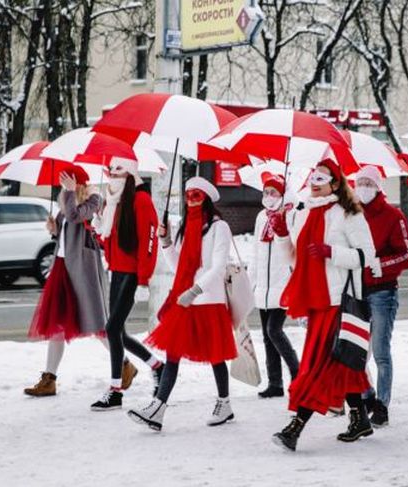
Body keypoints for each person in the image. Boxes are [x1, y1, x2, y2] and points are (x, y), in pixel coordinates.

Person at [272, 158, 378, 452]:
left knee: (317, 365)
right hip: (315, 300)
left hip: (337, 302)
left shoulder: (349, 214)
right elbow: (296, 258)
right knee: (341, 363)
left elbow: (365, 257)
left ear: (335, 183)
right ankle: (360, 418)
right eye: (313, 177)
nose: (315, 183)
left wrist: (331, 251)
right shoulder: (306, 212)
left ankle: (296, 427)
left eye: (322, 178)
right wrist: (282, 234)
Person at [128, 177, 238, 431]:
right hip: (184, 298)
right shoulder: (186, 226)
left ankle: (224, 403)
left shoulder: (219, 227)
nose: (191, 198)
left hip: (208, 299)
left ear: (207, 199)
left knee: (216, 354)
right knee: (173, 354)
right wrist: (165, 242)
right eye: (188, 194)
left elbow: (218, 266)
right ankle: (158, 408)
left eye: (197, 194)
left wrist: (196, 290)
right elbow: (179, 265)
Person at [25, 169, 113, 396]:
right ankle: (49, 379)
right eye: (63, 182)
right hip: (62, 268)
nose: (64, 185)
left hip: (83, 269)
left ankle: (123, 366)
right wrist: (54, 231)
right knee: (56, 324)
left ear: (79, 182)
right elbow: (66, 232)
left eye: (69, 181)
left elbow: (75, 216)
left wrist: (70, 193)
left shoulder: (95, 199)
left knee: (97, 324)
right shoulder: (68, 199)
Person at [90, 159, 164, 411]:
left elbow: (149, 243)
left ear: (131, 173)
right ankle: (157, 366)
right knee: (118, 331)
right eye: (110, 171)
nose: (112, 175)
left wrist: (143, 280)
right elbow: (112, 239)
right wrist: (100, 228)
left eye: (118, 170)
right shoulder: (115, 201)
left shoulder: (141, 201)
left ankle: (115, 391)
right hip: (117, 271)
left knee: (111, 329)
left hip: (132, 273)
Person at [354, 166, 408, 427]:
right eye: (360, 182)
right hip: (356, 291)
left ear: (378, 186)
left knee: (380, 351)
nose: (364, 187)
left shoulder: (392, 216)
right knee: (355, 352)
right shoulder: (352, 214)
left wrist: (382, 265)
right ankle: (366, 395)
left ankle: (382, 405)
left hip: (383, 292)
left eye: (369, 183)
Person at [249, 173, 300, 399]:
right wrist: (251, 283)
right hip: (263, 286)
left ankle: (297, 373)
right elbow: (256, 251)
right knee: (267, 335)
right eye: (266, 192)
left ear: (283, 194)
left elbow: (294, 249)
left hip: (283, 283)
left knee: (274, 330)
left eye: (274, 193)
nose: (269, 196)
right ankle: (275, 383)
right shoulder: (262, 217)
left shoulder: (292, 215)